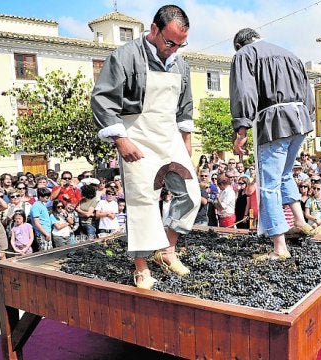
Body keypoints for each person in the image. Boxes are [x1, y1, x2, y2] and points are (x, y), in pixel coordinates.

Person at [91, 5, 200, 288]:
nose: (174, 49)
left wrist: (185, 142)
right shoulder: (124, 57)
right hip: (136, 135)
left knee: (190, 194)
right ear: (154, 30)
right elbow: (102, 99)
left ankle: (168, 251)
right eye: (170, 42)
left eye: (180, 44)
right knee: (143, 201)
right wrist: (121, 140)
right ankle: (141, 266)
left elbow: (185, 106)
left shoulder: (181, 63)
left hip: (169, 136)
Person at [230, 28, 315, 260]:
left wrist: (241, 129)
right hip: (301, 120)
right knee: (285, 174)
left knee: (268, 185)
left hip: (275, 122)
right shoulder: (291, 54)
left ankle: (279, 247)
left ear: (239, 45)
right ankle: (299, 220)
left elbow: (244, 92)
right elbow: (309, 93)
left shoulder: (244, 54)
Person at [29, 187, 53, 251]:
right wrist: (46, 233)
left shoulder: (42, 205)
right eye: (46, 197)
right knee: (44, 250)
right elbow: (36, 223)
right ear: (40, 197)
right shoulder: (36, 206)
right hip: (42, 233)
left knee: (49, 250)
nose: (48, 199)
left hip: (47, 231)